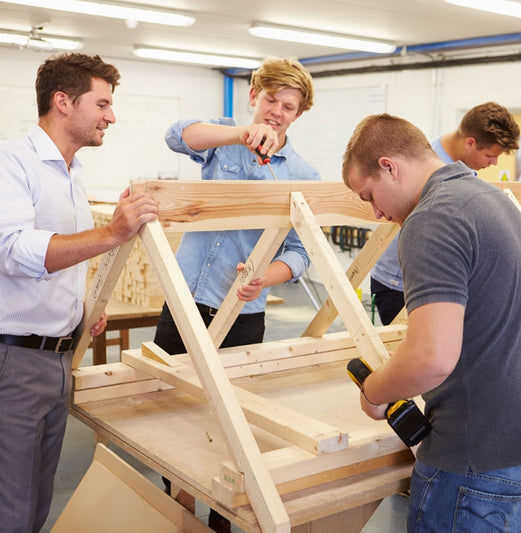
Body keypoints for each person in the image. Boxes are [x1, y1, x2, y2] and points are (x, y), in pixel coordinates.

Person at [343, 114, 521, 532]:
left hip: (478, 454)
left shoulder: (430, 219)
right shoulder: (490, 197)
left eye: (369, 194)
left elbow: (432, 359)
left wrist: (375, 392)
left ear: (389, 166)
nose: (375, 212)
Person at [152, 56, 318, 532]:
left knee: (230, 423)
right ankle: (178, 511)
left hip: (244, 310)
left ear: (298, 114)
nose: (276, 111)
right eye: (270, 100)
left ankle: (221, 518)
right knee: (174, 412)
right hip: (186, 300)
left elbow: (299, 252)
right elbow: (175, 134)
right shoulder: (221, 138)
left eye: (288, 106)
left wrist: (266, 277)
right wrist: (237, 135)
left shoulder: (302, 173)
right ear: (253, 97)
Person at [0, 52, 158, 532]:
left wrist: (80, 308)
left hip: (61, 357)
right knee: (12, 507)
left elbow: (67, 256)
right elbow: (14, 249)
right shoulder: (12, 162)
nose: (111, 116)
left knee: (37, 498)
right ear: (63, 102)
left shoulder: (74, 173)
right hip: (17, 361)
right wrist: (113, 233)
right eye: (103, 103)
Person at [370, 102, 520, 325]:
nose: (494, 163)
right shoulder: (425, 165)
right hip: (398, 285)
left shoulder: (464, 173)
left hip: (438, 281)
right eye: (490, 155)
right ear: (470, 143)